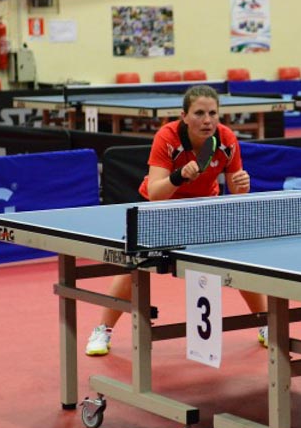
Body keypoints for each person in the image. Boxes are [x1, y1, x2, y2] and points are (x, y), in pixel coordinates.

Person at [86, 85, 267, 355]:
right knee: (133, 267)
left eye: (213, 113)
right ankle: (103, 329)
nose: (207, 120)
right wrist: (179, 176)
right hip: (163, 209)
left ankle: (265, 324)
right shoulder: (168, 137)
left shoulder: (226, 139)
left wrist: (242, 185)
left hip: (203, 208)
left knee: (239, 264)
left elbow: (236, 191)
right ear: (184, 116)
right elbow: (156, 192)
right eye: (199, 113)